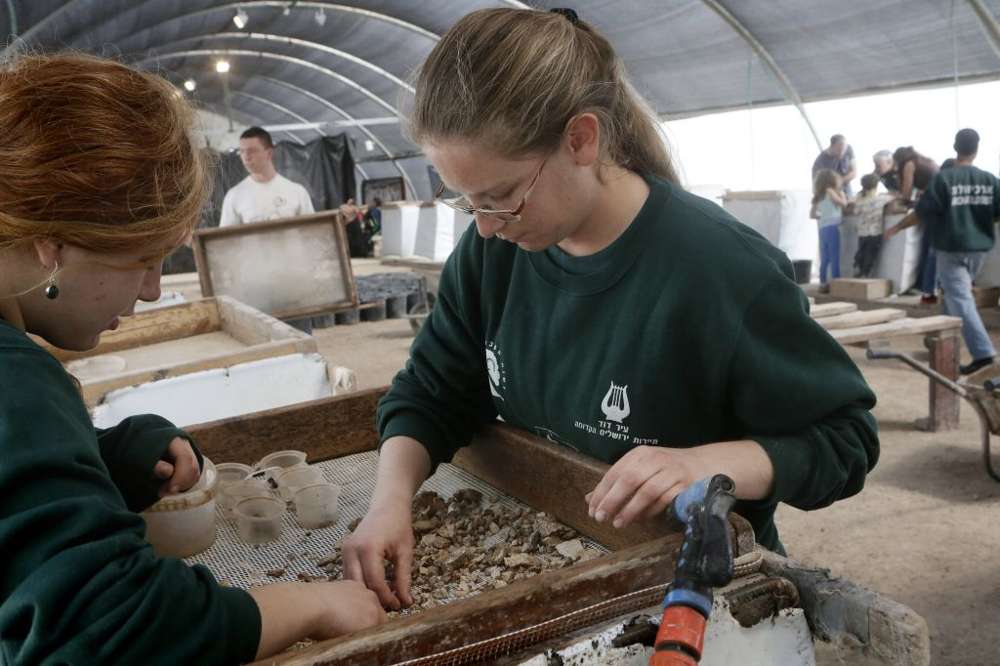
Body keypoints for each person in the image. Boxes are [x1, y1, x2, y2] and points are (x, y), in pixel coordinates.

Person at [342, 7, 879, 612]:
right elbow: (431, 390)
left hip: (693, 582)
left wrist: (706, 462)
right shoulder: (494, 252)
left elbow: (845, 440)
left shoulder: (719, 270)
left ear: (581, 139)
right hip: (555, 563)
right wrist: (390, 501)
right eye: (468, 203)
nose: (488, 227)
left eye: (501, 197)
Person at [0, 54, 384, 664]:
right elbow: (110, 628)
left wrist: (110, 456)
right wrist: (308, 605)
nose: (153, 290)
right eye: (144, 259)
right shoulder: (14, 379)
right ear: (53, 244)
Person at [886, 129, 1000, 375]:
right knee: (954, 295)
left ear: (954, 147)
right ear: (977, 149)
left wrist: (896, 226)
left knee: (959, 297)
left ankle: (984, 354)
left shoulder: (944, 179)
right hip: (979, 250)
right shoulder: (991, 180)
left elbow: (922, 212)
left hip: (951, 248)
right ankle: (943, 346)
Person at [219, 127, 315, 226]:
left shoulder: (297, 192)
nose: (246, 157)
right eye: (242, 151)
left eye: (252, 151)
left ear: (269, 153)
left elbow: (313, 231)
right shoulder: (234, 196)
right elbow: (226, 238)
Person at [848, 174, 893, 277]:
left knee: (861, 251)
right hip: (875, 231)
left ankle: (858, 269)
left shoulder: (859, 201)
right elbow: (895, 198)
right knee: (871, 253)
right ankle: (866, 273)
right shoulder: (881, 199)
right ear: (877, 185)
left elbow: (855, 211)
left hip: (862, 231)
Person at [810, 169, 847, 291]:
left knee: (825, 257)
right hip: (832, 227)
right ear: (831, 181)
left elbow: (812, 215)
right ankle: (836, 282)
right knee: (834, 256)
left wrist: (824, 215)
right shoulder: (830, 191)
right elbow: (842, 204)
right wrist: (843, 197)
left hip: (822, 228)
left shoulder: (818, 196)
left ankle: (823, 283)